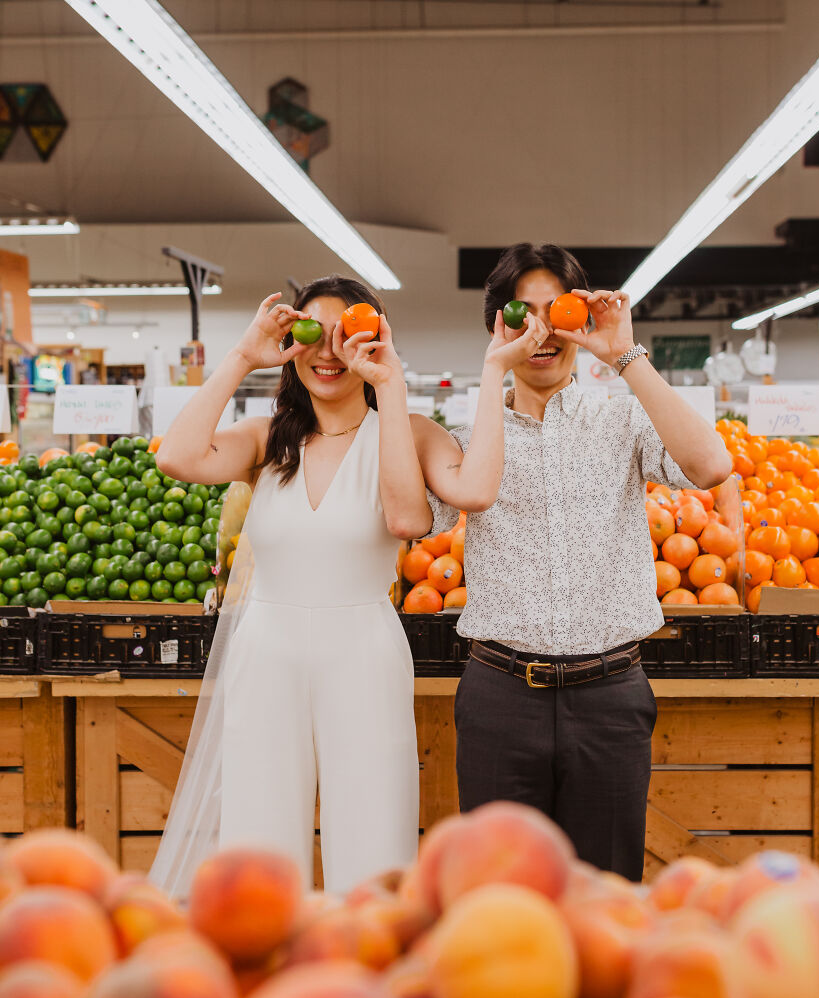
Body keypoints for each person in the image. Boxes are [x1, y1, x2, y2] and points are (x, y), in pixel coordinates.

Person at [149, 275, 540, 898]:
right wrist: (241, 358)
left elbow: (411, 520)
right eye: (311, 334)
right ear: (290, 344)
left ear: (375, 339)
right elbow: (176, 456)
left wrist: (390, 382)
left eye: (347, 335)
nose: (328, 351)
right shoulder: (266, 439)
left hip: (362, 651)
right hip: (266, 653)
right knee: (259, 845)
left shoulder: (410, 431)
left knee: (373, 838)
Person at [427, 243, 733, 881]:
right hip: (500, 695)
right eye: (521, 315)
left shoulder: (621, 418)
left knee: (609, 898)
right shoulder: (466, 436)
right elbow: (413, 519)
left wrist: (623, 351)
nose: (541, 332)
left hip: (610, 695)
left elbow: (711, 466)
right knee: (497, 900)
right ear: (496, 325)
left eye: (555, 311)